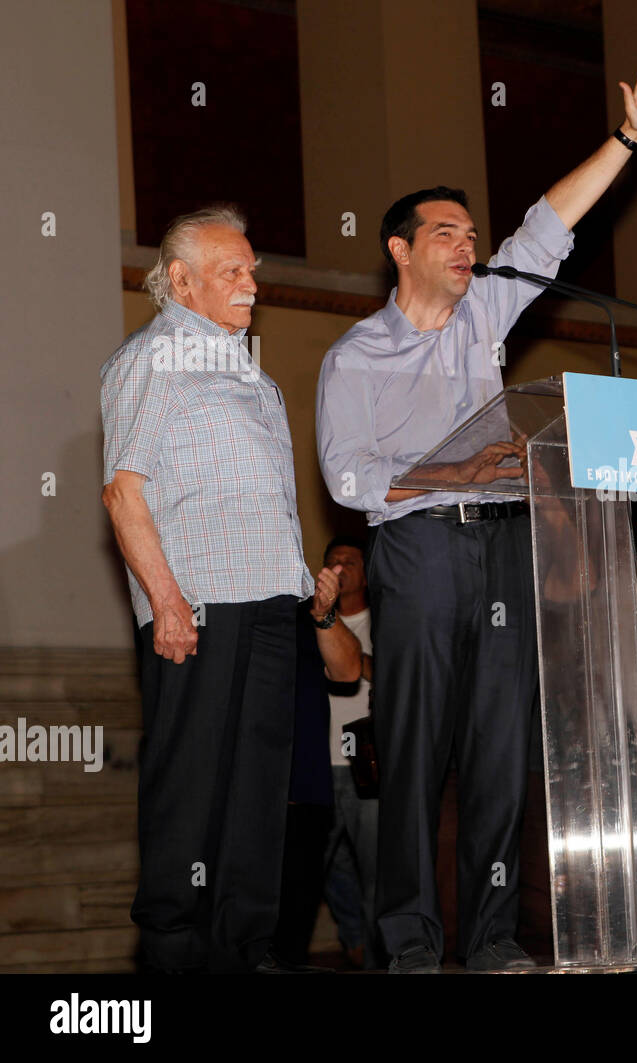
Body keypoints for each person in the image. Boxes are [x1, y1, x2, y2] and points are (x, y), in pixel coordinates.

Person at [315, 53, 637, 973]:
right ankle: (408, 940)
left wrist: (628, 137)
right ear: (399, 249)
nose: (465, 245)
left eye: (470, 234)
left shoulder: (487, 314)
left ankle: (487, 940)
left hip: (505, 544)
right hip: (421, 556)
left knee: (495, 754)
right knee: (414, 754)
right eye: (446, 232)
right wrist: (449, 470)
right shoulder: (355, 356)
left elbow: (550, 224)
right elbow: (346, 477)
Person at [101, 206, 314, 973]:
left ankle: (243, 947)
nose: (252, 283)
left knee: (258, 788)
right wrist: (165, 600)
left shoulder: (241, 367)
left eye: (253, 268)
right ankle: (171, 956)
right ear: (180, 280)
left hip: (265, 604)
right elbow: (124, 492)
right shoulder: (152, 360)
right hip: (198, 606)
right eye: (234, 271)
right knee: (190, 788)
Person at [270, 562, 365, 973]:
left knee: (292, 924)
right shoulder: (216, 606)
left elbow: (348, 672)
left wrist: (324, 613)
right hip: (241, 794)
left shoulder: (302, 609)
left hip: (304, 791)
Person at [316, 535, 382, 969]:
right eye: (333, 562)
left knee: (375, 865)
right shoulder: (312, 621)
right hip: (319, 765)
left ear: (366, 572)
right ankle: (354, 938)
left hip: (367, 763)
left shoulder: (386, 622)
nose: (341, 569)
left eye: (351, 562)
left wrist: (359, 659)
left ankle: (381, 954)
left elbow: (394, 675)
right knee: (323, 865)